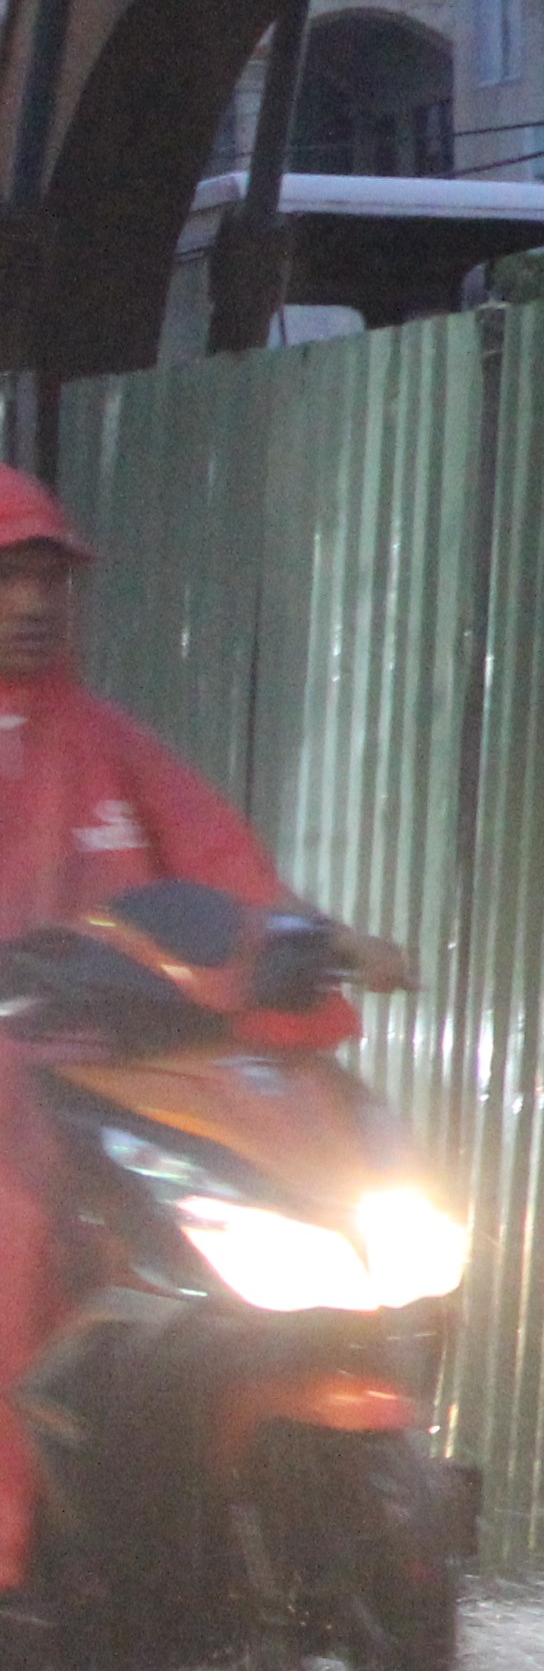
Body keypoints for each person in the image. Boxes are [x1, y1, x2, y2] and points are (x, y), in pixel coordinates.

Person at [0, 466, 409, 1600]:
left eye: (48, 581)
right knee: (14, 1234)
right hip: (9, 1100)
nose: (32, 604)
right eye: (6, 579)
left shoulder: (111, 743)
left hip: (130, 1087)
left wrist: (323, 941)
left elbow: (226, 874)